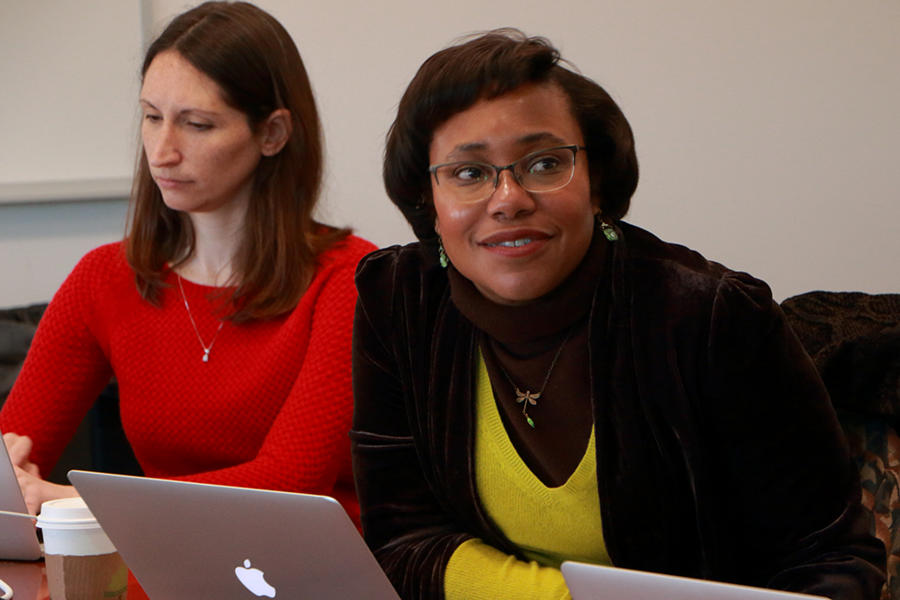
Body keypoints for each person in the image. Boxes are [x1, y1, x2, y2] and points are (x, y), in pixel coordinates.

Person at [350, 29, 886, 600]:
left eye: (544, 163)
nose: (508, 198)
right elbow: (403, 538)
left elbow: (831, 559)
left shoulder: (709, 319)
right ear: (427, 200)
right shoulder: (400, 300)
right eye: (468, 173)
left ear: (597, 181)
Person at [0, 1, 375, 528]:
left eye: (197, 125)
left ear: (272, 134)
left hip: (300, 565)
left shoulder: (353, 279)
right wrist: (14, 484)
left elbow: (289, 482)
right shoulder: (104, 277)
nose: (162, 151)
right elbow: (12, 451)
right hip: (156, 555)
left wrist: (73, 502)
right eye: (152, 117)